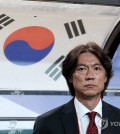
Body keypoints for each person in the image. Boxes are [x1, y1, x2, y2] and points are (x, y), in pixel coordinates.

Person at [33, 42, 120, 134]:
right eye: (82, 69)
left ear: (105, 77)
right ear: (70, 76)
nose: (90, 76)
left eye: (97, 68)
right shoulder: (47, 123)